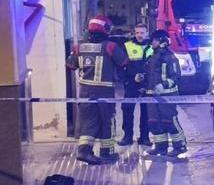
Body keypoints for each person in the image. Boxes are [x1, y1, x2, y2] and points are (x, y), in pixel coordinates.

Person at [66, 16, 129, 164]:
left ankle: (84, 151)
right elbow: (124, 62)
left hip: (84, 91)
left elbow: (70, 65)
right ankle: (107, 153)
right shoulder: (110, 46)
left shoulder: (78, 47)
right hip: (104, 91)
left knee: (88, 121)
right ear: (105, 29)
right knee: (108, 121)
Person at [144, 29, 188, 159]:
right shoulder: (152, 56)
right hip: (152, 95)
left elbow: (176, 77)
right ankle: (160, 146)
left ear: (162, 41)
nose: (152, 43)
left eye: (155, 40)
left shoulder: (170, 57)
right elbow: (150, 74)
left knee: (170, 121)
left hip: (167, 95)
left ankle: (180, 146)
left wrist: (163, 85)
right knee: (154, 121)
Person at [119, 23, 153, 146]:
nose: (139, 35)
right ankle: (127, 137)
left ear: (147, 33)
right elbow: (121, 65)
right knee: (127, 110)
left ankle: (144, 137)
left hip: (147, 84)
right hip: (131, 83)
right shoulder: (127, 46)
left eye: (142, 33)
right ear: (134, 33)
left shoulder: (152, 47)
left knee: (146, 111)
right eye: (137, 32)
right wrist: (129, 78)